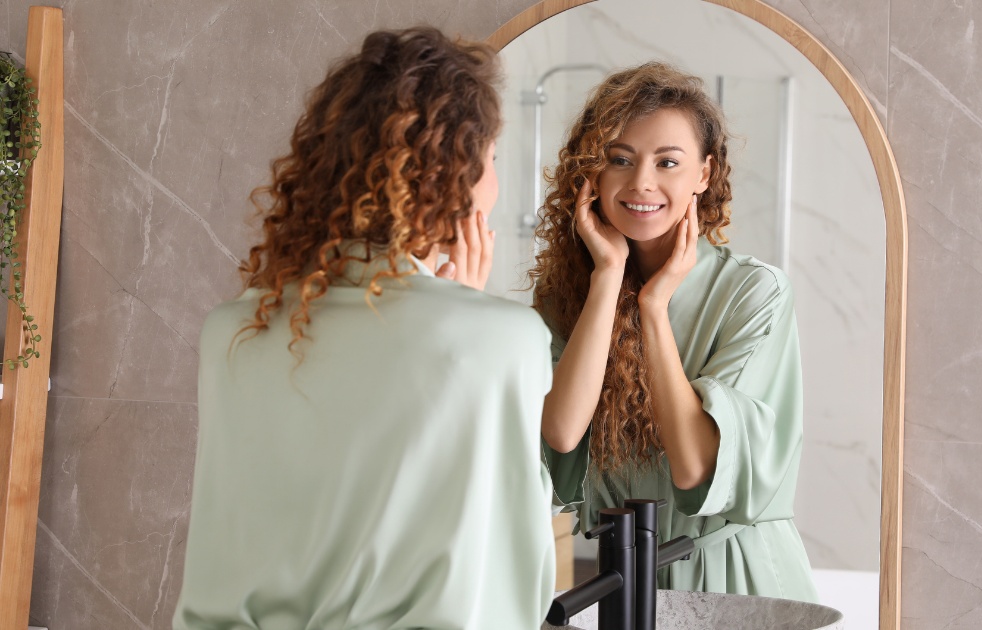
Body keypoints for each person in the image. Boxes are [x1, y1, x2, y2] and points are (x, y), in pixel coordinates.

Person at [174, 28, 556, 630]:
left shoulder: (232, 330)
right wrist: (464, 308)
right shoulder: (504, 340)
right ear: (453, 176)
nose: (495, 183)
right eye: (492, 160)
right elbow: (515, 565)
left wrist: (456, 306)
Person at [531, 62, 817, 602]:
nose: (642, 182)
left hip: (732, 581)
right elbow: (564, 432)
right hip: (624, 581)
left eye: (668, 162)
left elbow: (693, 467)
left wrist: (653, 307)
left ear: (704, 175)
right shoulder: (571, 295)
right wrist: (608, 279)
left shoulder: (755, 293)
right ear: (591, 174)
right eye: (620, 159)